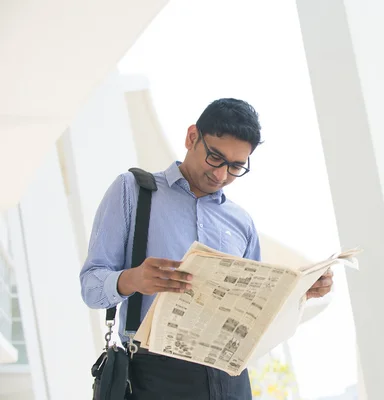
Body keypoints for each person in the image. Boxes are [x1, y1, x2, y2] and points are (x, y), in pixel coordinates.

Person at [79, 98, 334, 400]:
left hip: (231, 378)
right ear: (191, 138)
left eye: (236, 166)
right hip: (153, 376)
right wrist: (133, 279)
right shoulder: (133, 191)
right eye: (215, 157)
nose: (221, 175)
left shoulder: (241, 222)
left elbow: (253, 312)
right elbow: (91, 286)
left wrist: (298, 293)